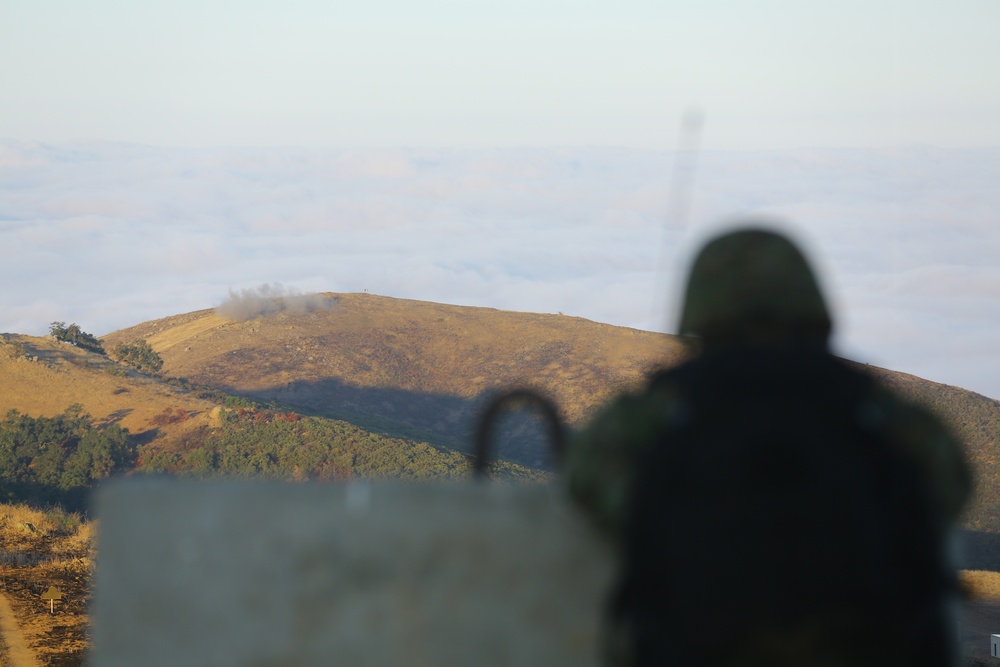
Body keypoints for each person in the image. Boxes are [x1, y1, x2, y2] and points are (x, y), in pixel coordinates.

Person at [566, 226, 971, 666]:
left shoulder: (659, 415)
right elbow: (950, 484)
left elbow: (587, 480)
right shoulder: (874, 411)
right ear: (811, 303)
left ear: (702, 306)